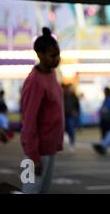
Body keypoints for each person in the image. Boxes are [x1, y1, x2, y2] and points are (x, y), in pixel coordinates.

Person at [20, 27, 64, 194]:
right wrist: (33, 156)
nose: (57, 59)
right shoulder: (33, 82)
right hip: (34, 152)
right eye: (53, 55)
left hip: (49, 148)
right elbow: (28, 121)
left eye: (58, 54)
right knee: (29, 190)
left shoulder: (51, 74)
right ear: (39, 54)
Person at [63, 83, 80, 149]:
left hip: (71, 115)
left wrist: (76, 112)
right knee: (63, 130)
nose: (71, 89)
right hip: (64, 115)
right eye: (70, 88)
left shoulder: (74, 96)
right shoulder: (64, 96)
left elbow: (77, 106)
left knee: (71, 129)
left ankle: (72, 143)